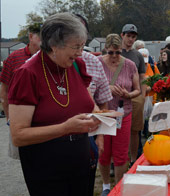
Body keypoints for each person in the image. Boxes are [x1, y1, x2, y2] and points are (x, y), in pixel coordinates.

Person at [8, 13, 102, 196]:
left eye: (82, 46)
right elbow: (19, 135)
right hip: (46, 168)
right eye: (76, 46)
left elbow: (90, 105)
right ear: (53, 45)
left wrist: (100, 116)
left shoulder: (76, 66)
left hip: (81, 162)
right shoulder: (27, 74)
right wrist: (65, 128)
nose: (80, 52)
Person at [74, 13, 113, 196]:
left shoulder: (93, 62)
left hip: (87, 135)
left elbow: (103, 100)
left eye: (80, 31)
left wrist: (101, 136)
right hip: (55, 140)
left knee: (85, 184)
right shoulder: (39, 64)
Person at [98, 34, 141, 196]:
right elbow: (89, 86)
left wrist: (128, 94)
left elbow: (137, 89)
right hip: (103, 114)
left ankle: (118, 188)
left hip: (123, 114)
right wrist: (107, 88)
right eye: (111, 53)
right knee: (104, 153)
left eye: (118, 52)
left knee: (121, 154)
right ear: (105, 50)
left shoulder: (129, 65)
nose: (115, 56)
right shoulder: (98, 63)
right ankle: (106, 186)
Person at [0, 22, 42, 159]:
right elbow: (4, 90)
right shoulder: (14, 58)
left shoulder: (50, 58)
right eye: (41, 38)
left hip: (43, 118)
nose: (44, 42)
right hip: (20, 117)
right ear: (31, 37)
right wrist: (9, 117)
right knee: (24, 157)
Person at [120, 24, 146, 167]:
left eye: (133, 37)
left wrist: (142, 95)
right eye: (128, 36)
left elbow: (143, 77)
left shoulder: (138, 55)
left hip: (134, 95)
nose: (130, 39)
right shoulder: (114, 52)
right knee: (116, 129)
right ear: (122, 35)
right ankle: (115, 160)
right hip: (116, 96)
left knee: (134, 130)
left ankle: (133, 160)